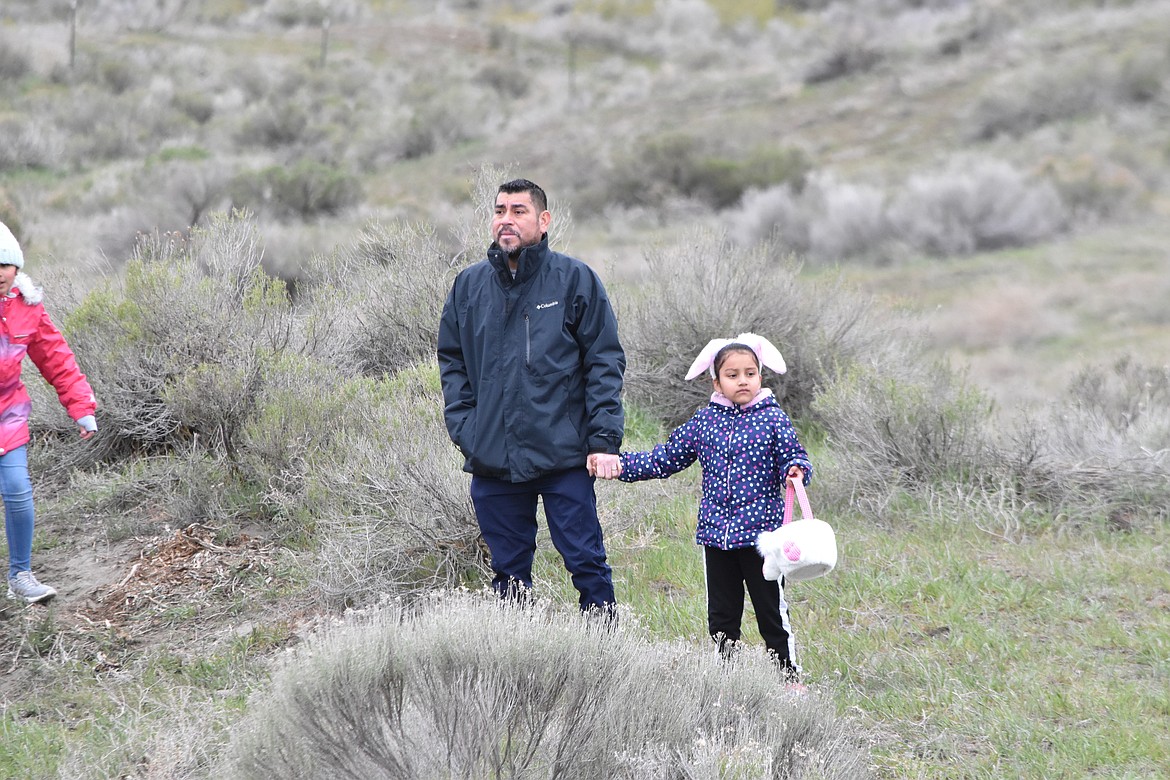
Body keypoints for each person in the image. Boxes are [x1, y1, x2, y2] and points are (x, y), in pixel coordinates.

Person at [437, 179, 625, 616]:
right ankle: (517, 664)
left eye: (518, 211)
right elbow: (452, 362)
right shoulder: (468, 286)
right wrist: (468, 429)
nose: (506, 219)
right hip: (493, 459)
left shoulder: (574, 280)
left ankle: (604, 658)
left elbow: (604, 362)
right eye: (500, 210)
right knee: (507, 572)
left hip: (564, 457)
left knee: (586, 564)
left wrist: (602, 440)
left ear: (543, 220)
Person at [592, 333, 812, 678]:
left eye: (750, 373)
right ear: (716, 381)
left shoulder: (773, 419)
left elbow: (794, 455)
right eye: (733, 374)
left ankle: (788, 676)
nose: (743, 381)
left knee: (771, 611)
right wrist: (621, 465)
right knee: (722, 616)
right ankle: (725, 676)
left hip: (764, 540)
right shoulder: (705, 422)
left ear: (760, 376)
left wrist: (795, 470)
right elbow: (666, 457)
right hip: (716, 538)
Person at [0, 221, 97, 604]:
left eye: (4, 265)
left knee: (18, 491)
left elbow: (56, 359)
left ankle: (20, 575)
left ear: (16, 268)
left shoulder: (28, 309)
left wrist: (81, 407)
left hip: (8, 417)